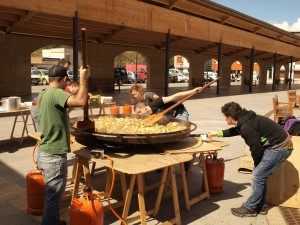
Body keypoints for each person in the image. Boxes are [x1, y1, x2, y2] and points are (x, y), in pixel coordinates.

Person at [206, 102, 293, 217]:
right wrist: (218, 133)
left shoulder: (247, 127)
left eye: (224, 116)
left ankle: (250, 208)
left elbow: (256, 149)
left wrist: (258, 166)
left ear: (229, 118)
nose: (224, 119)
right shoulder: (246, 119)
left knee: (258, 175)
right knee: (260, 175)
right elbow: (236, 130)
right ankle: (261, 206)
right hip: (276, 144)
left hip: (280, 148)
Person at [37, 64, 90, 225]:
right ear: (65, 79)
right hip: (53, 155)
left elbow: (61, 110)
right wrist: (83, 78)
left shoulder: (43, 93)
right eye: (68, 80)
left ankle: (54, 221)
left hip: (44, 152)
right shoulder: (57, 93)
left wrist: (72, 103)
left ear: (48, 79)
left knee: (50, 195)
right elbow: (81, 102)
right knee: (54, 199)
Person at [134, 87, 202, 121]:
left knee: (183, 131)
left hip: (180, 113)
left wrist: (193, 90)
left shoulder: (157, 102)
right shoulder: (149, 115)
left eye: (139, 112)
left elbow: (176, 96)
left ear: (144, 107)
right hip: (170, 116)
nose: (139, 114)